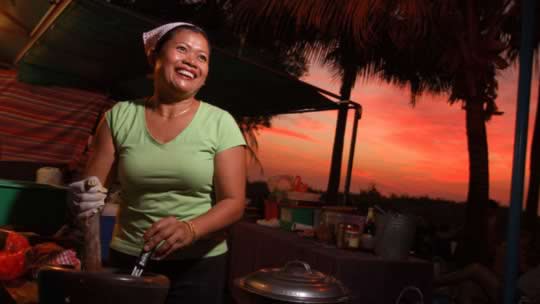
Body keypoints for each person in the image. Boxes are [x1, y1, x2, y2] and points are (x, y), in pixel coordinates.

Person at [68, 22, 247, 304]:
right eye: (182, 49)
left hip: (199, 265)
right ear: (155, 56)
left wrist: (191, 229)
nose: (192, 61)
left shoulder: (221, 123)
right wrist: (90, 255)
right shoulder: (119, 116)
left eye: (202, 57)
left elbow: (234, 202)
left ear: (205, 75)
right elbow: (91, 194)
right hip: (129, 257)